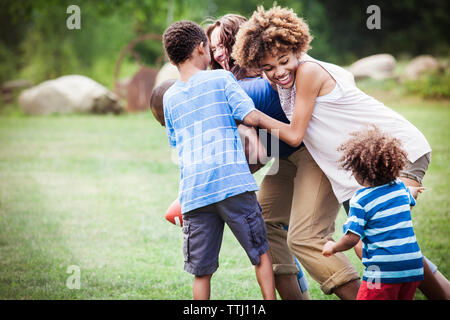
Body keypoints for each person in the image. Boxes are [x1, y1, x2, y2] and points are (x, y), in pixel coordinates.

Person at [232, 5, 450, 299]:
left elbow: (295, 134)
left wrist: (253, 116)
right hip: (358, 172)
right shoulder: (291, 80)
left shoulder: (308, 71)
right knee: (390, 244)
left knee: (386, 242)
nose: (278, 72)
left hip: (398, 150)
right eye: (268, 68)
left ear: (298, 47)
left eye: (283, 61)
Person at [206, 14, 361, 299]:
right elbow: (259, 154)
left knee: (308, 238)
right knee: (264, 222)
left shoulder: (258, 84)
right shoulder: (248, 83)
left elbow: (281, 138)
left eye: (225, 45)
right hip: (287, 159)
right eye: (213, 48)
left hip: (317, 153)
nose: (220, 54)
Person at [161, 20, 276, 300]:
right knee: (260, 254)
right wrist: (286, 128)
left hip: (195, 193)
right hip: (233, 185)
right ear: (202, 48)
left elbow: (176, 143)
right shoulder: (222, 79)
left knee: (202, 271)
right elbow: (250, 116)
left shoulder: (169, 97)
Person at [322, 126, 424, 300]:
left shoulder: (361, 200)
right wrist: (415, 190)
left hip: (381, 271)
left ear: (357, 170)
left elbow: (352, 238)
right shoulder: (399, 188)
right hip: (412, 267)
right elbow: (409, 193)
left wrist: (333, 247)